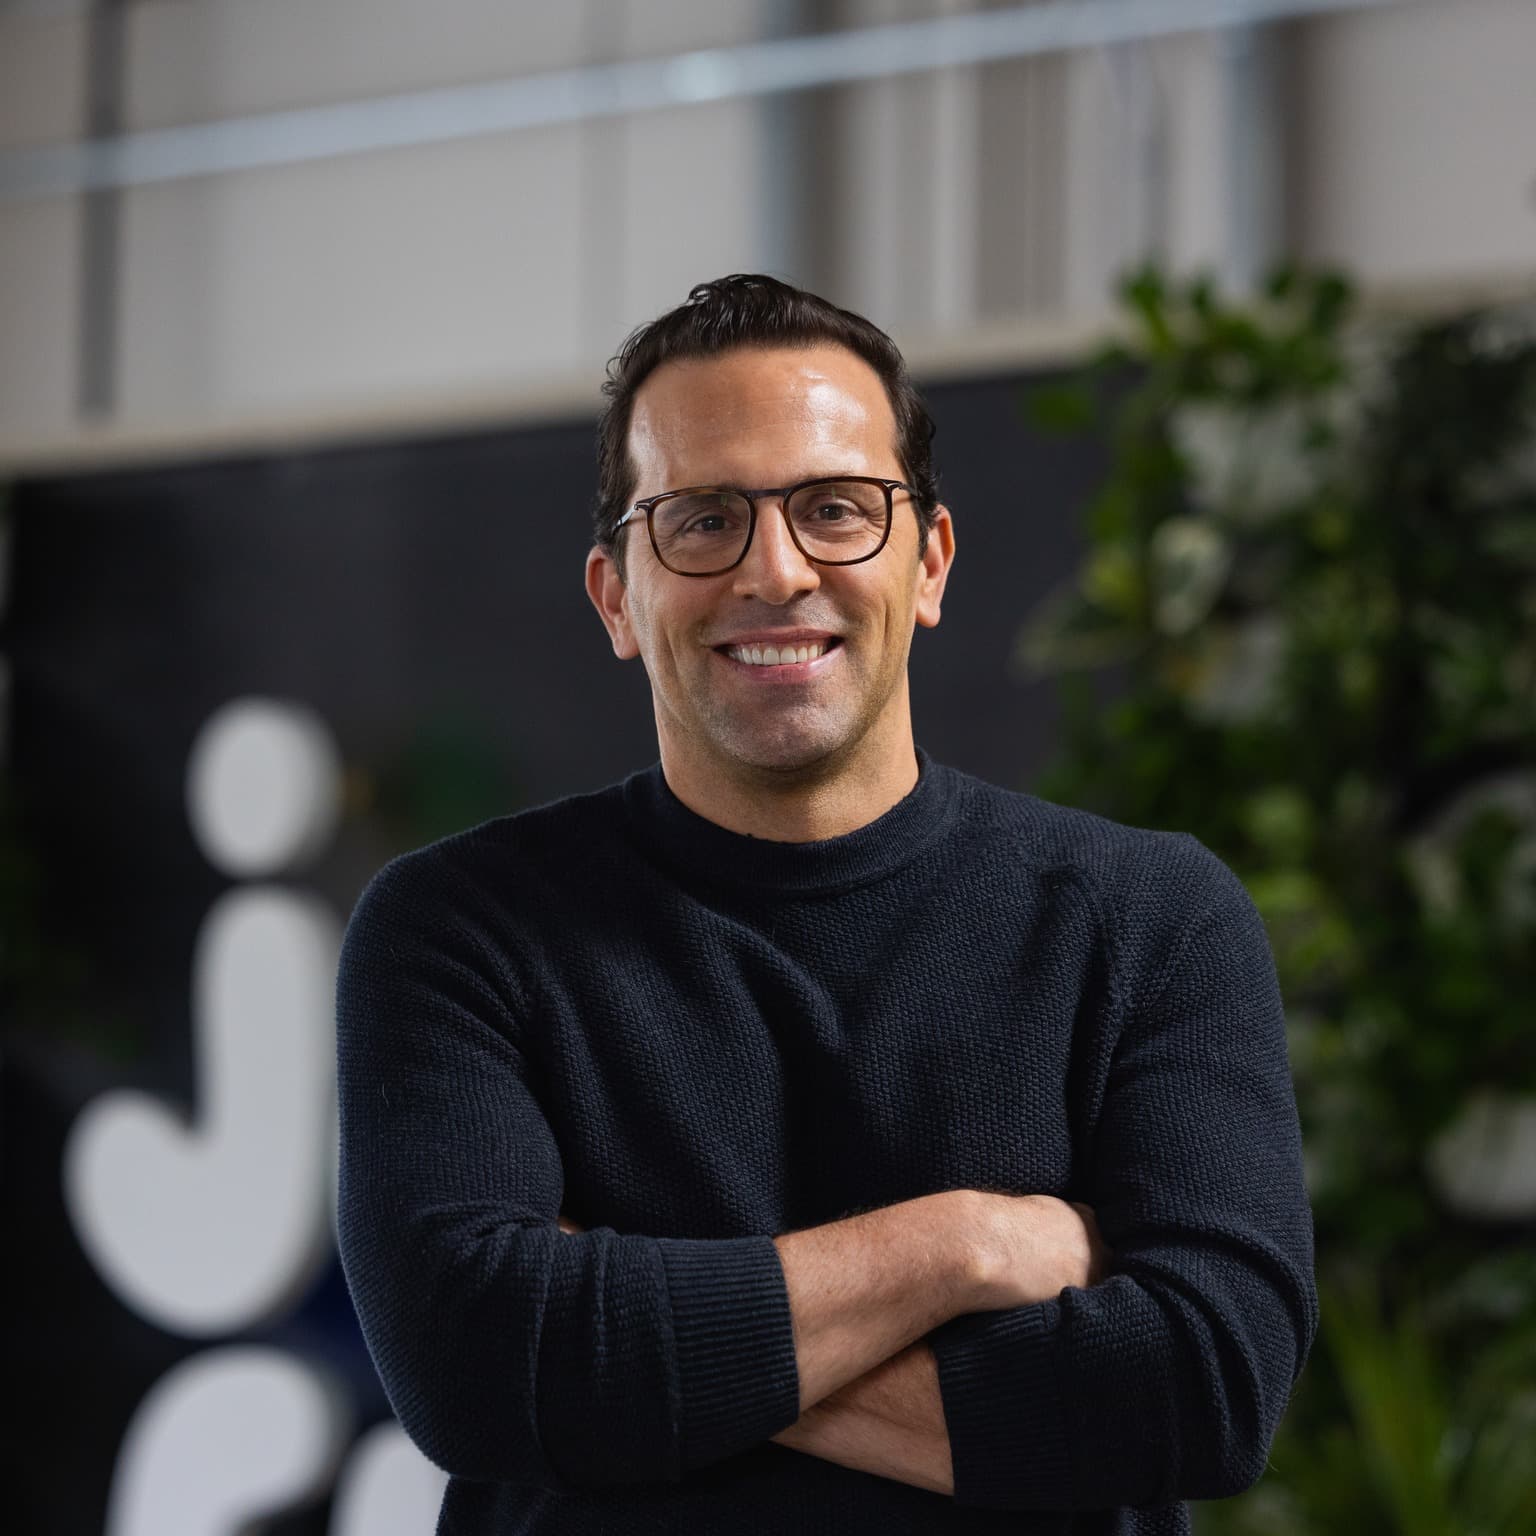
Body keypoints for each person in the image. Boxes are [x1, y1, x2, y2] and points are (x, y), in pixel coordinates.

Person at [335, 273, 1317, 1535]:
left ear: (930, 562)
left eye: (836, 509)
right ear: (617, 597)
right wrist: (961, 1248)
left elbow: (1208, 1390)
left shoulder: (1148, 920)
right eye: (702, 520)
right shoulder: (459, 930)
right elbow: (474, 1369)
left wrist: (627, 1343)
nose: (777, 570)